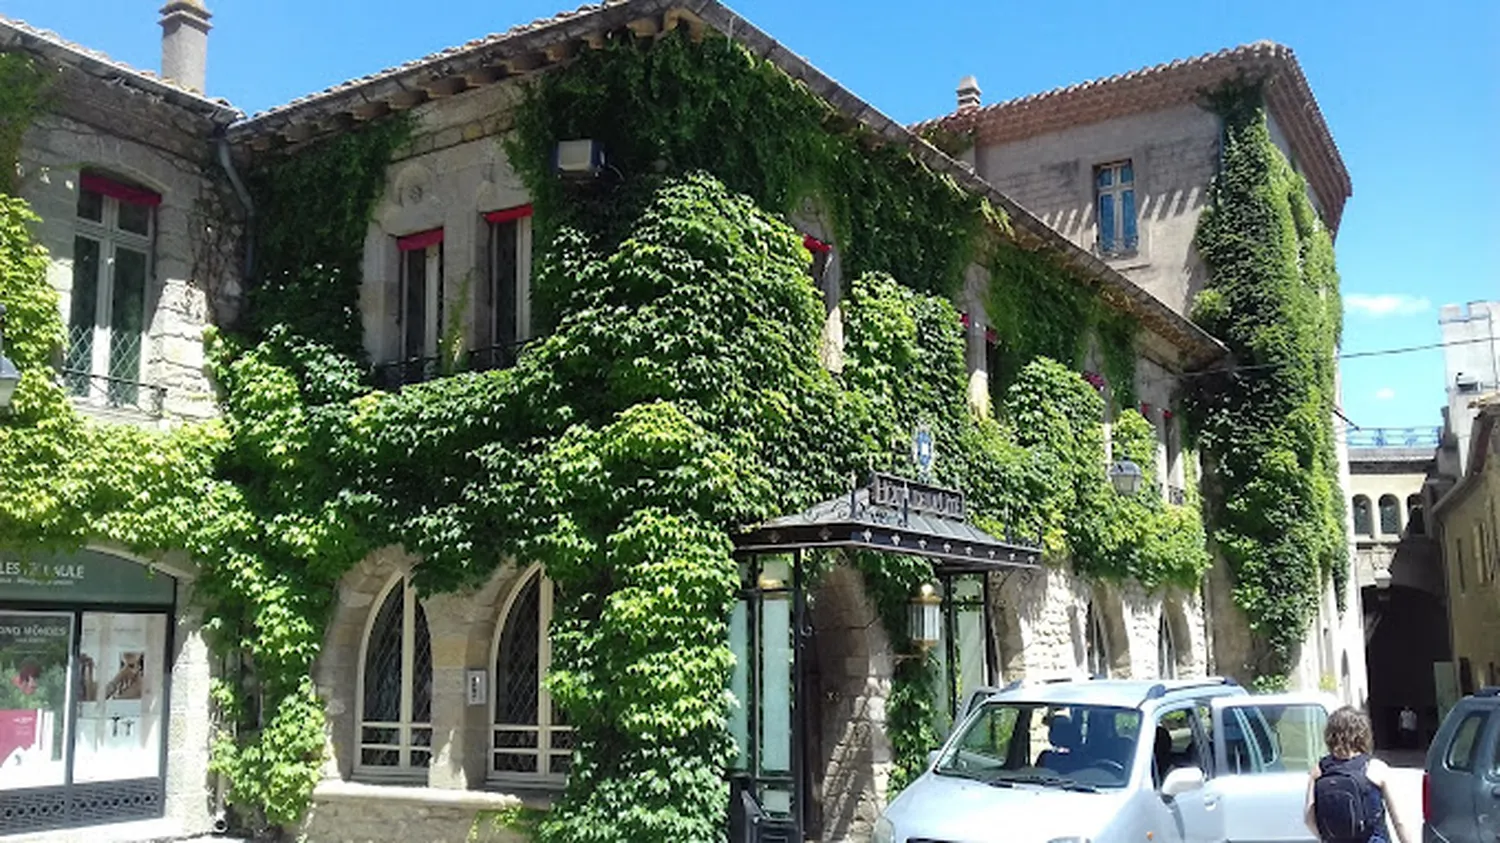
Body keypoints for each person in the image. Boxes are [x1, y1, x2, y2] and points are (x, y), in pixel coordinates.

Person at [1304, 706, 1411, 843]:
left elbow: (1308, 819)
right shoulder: (1375, 768)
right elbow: (1400, 821)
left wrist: (1326, 839)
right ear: (1363, 734)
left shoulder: (1319, 770)